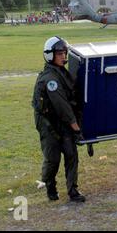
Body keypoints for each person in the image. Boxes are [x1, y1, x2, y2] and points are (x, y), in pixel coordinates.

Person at [32, 36, 86, 202]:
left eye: (64, 53)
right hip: (49, 124)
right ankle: (50, 184)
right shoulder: (50, 79)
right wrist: (76, 128)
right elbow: (62, 107)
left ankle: (73, 191)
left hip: (63, 123)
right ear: (50, 55)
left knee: (71, 155)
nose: (63, 56)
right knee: (53, 159)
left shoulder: (63, 73)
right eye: (59, 53)